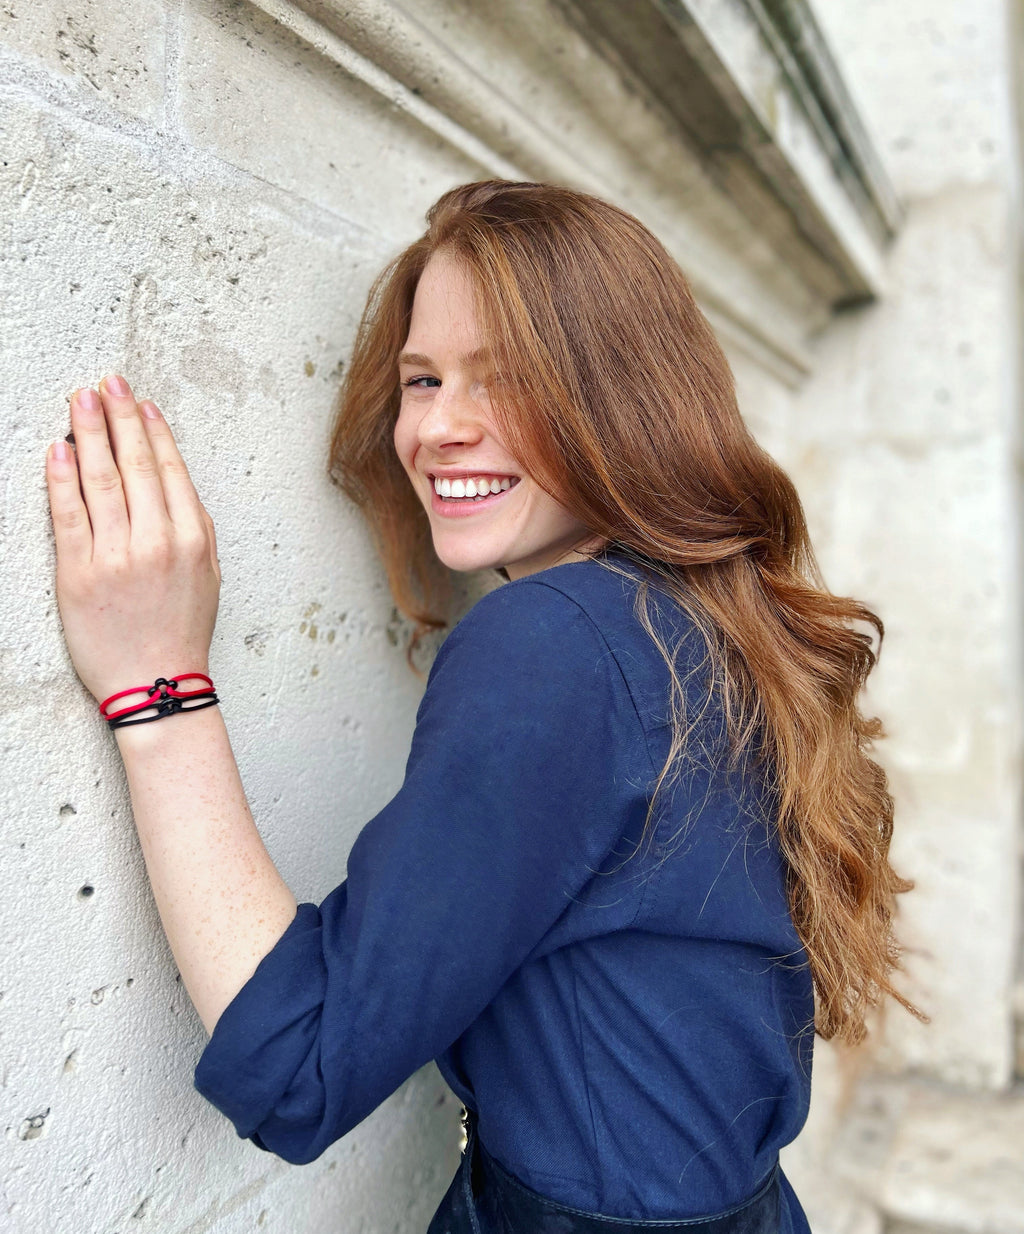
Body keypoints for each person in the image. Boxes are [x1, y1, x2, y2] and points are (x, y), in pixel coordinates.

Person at [45, 179, 920, 1234]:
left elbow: (299, 1063)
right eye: (422, 378)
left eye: (505, 383)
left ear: (622, 399)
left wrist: (158, 678)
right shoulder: (699, 611)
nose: (441, 428)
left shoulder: (555, 640)